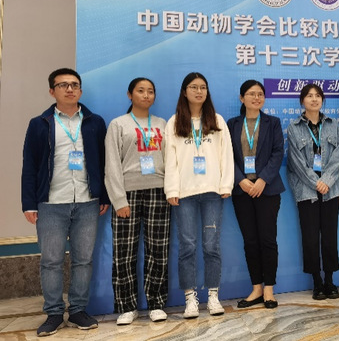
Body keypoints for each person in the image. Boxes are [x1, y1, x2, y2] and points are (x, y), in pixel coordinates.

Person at [21, 68, 109, 337]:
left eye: (74, 85)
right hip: (51, 203)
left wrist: (103, 196)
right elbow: (30, 165)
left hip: (87, 201)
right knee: (51, 261)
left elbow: (103, 162)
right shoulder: (40, 123)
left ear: (80, 90)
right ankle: (54, 313)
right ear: (52, 91)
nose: (70, 89)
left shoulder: (94, 122)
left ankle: (79, 310)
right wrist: (29, 203)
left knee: (83, 260)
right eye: (63, 85)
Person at [164, 72, 234, 319]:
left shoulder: (217, 120)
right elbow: (170, 160)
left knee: (211, 246)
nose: (199, 91)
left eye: (203, 87)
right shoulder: (174, 122)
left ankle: (213, 296)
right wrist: (172, 190)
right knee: (187, 246)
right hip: (185, 193)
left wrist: (226, 184)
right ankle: (190, 298)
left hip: (213, 192)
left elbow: (226, 154)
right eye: (193, 87)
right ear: (184, 92)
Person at [105, 77, 171, 325]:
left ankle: (156, 303)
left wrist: (170, 189)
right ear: (129, 94)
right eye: (140, 91)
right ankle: (126, 306)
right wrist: (118, 199)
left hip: (158, 191)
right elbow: (112, 164)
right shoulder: (118, 124)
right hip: (127, 194)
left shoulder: (162, 124)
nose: (146, 95)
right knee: (124, 252)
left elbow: (170, 159)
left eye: (150, 91)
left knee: (158, 250)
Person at [227, 80, 285, 309]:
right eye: (251, 94)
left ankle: (269, 289)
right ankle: (256, 289)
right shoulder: (232, 124)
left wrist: (262, 179)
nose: (256, 97)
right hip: (242, 191)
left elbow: (278, 153)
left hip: (267, 190)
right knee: (250, 241)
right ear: (242, 98)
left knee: (268, 240)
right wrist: (240, 180)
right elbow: (226, 156)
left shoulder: (273, 123)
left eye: (260, 94)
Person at [287, 84, 339, 300]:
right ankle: (316, 282)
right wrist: (316, 182)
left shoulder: (333, 125)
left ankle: (330, 280)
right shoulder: (294, 127)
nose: (314, 99)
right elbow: (296, 162)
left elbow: (338, 156)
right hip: (306, 190)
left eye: (318, 96)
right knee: (310, 238)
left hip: (331, 189)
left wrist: (326, 181)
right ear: (302, 101)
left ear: (322, 100)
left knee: (330, 237)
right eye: (309, 96)